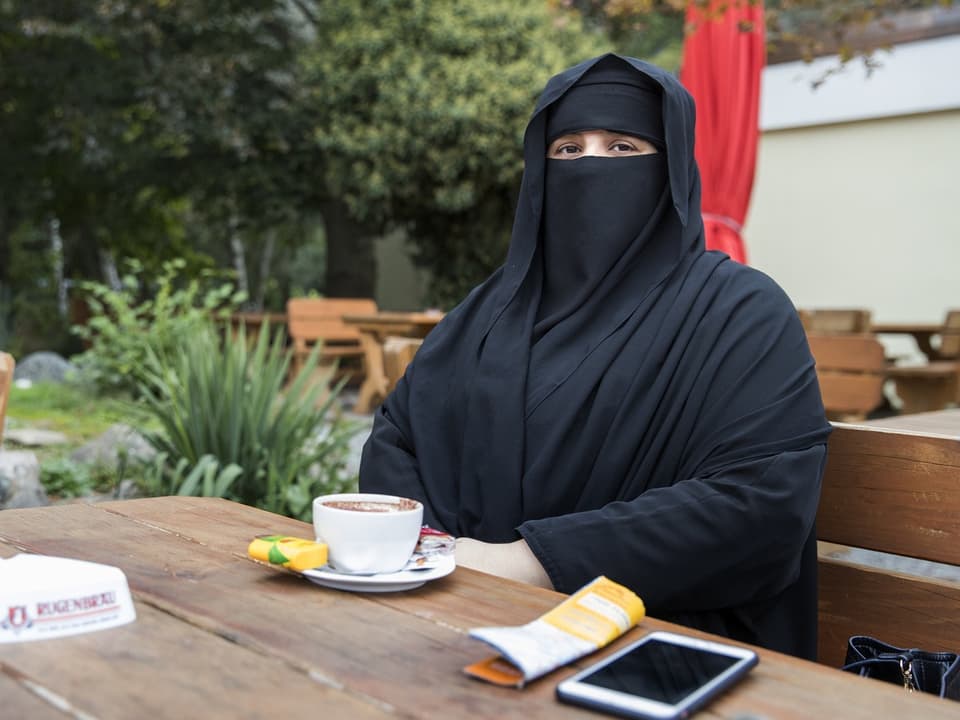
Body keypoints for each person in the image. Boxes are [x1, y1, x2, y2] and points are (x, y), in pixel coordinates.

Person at [359, 53, 831, 660]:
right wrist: (432, 550)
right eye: (569, 151)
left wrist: (526, 561)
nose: (591, 167)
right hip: (461, 630)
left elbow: (760, 503)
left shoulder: (739, 311)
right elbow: (396, 438)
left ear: (672, 171)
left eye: (623, 148)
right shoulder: (489, 312)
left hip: (658, 650)